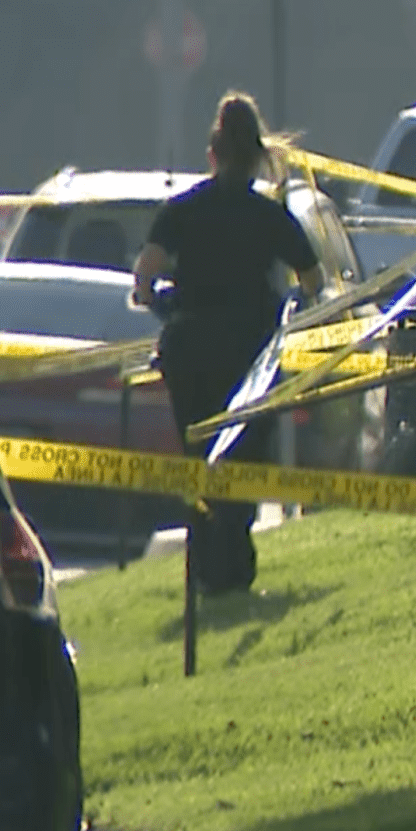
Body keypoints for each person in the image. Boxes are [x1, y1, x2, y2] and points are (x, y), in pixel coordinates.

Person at [131, 93, 323, 595]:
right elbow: (313, 279)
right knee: (243, 459)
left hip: (189, 350)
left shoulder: (181, 210)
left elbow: (144, 277)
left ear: (212, 152)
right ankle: (233, 568)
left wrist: (159, 301)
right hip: (249, 353)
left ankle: (206, 570)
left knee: (200, 460)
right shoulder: (269, 216)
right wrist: (289, 305)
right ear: (257, 155)